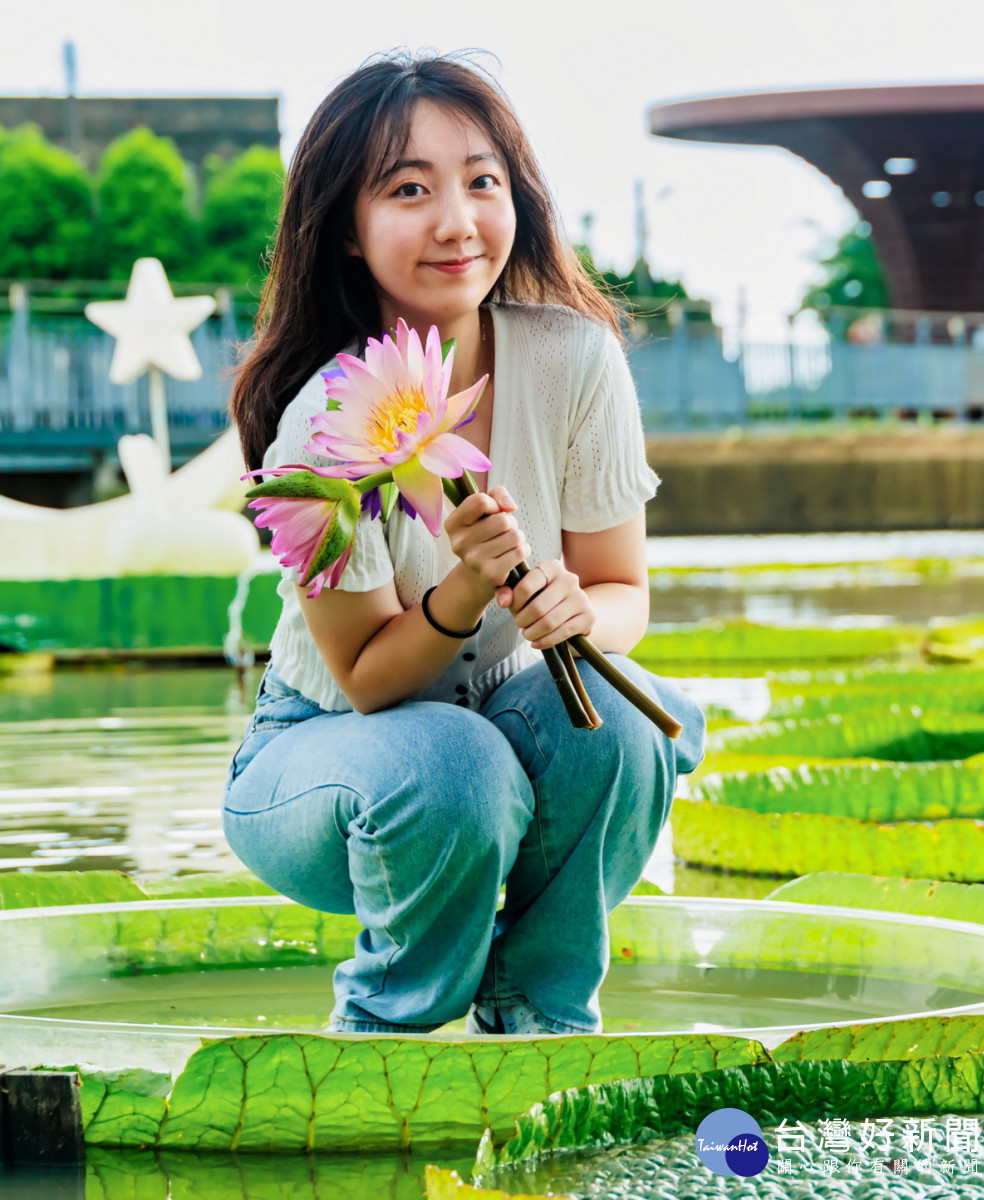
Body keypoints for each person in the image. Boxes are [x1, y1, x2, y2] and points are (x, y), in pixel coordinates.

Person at [224, 53, 705, 1038]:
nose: (457, 221)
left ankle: (539, 1013)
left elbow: (622, 594)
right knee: (451, 761)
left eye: (482, 182)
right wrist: (467, 587)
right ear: (347, 234)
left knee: (621, 722)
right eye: (409, 190)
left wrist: (579, 607)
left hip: (513, 728)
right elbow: (366, 680)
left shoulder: (575, 359)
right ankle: (385, 1035)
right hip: (327, 759)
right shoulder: (324, 426)